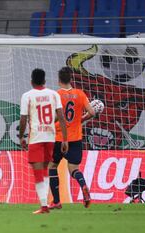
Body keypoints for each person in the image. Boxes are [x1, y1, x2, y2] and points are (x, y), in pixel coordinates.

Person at [19, 68, 68, 214]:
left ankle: (44, 205)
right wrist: (65, 139)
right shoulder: (54, 94)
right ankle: (45, 204)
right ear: (45, 81)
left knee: (38, 172)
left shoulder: (27, 96)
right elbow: (61, 117)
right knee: (45, 170)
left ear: (31, 81)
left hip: (36, 138)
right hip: (50, 137)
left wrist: (21, 136)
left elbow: (23, 119)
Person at [48, 67, 95, 209]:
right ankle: (84, 185)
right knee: (74, 169)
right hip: (75, 139)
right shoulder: (80, 94)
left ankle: (56, 201)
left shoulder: (56, 95)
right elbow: (92, 112)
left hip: (59, 138)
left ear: (59, 80)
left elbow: (54, 117)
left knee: (52, 166)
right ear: (71, 79)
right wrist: (80, 120)